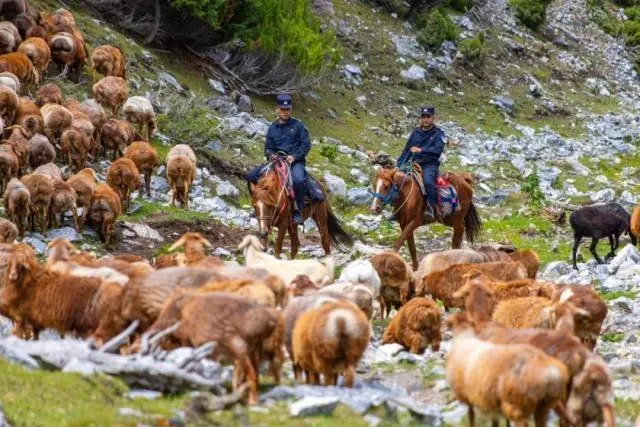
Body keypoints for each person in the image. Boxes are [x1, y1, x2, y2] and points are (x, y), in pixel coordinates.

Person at [246, 94, 311, 225]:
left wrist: (294, 156)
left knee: (298, 180)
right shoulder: (272, 128)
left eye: (287, 109)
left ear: (291, 110)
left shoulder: (298, 126)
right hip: (277, 162)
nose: (285, 112)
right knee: (251, 176)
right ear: (277, 109)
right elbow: (268, 148)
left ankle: (298, 210)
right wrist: (271, 155)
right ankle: (258, 204)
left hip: (294, 162)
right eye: (282, 109)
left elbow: (306, 145)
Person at [397, 106, 446, 219]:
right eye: (423, 117)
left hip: (430, 165)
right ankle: (397, 208)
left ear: (433, 118)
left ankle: (432, 208)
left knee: (428, 182)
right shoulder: (416, 132)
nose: (425, 119)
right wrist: (399, 165)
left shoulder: (439, 134)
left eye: (428, 116)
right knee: (397, 179)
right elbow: (407, 150)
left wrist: (421, 150)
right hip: (414, 163)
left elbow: (438, 150)